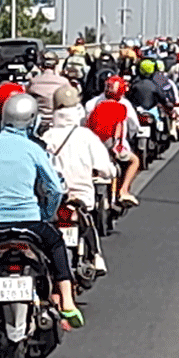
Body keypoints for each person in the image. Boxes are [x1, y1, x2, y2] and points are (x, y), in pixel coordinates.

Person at [0, 93, 84, 331]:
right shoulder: (34, 148)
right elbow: (55, 189)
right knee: (57, 244)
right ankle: (68, 302)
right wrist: (46, 214)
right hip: (30, 222)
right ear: (32, 120)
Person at [42, 85, 114, 273]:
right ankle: (96, 256)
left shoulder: (46, 137)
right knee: (89, 222)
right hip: (82, 198)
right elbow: (105, 168)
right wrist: (107, 173)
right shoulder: (86, 136)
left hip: (55, 200)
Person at [86, 77, 141, 206]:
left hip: (93, 148)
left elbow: (86, 124)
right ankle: (124, 191)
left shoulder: (93, 105)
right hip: (115, 148)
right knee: (135, 161)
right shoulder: (124, 106)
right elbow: (133, 127)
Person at [26, 50, 70, 134]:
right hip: (58, 124)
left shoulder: (33, 82)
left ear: (41, 65)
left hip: (37, 124)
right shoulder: (64, 82)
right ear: (55, 65)